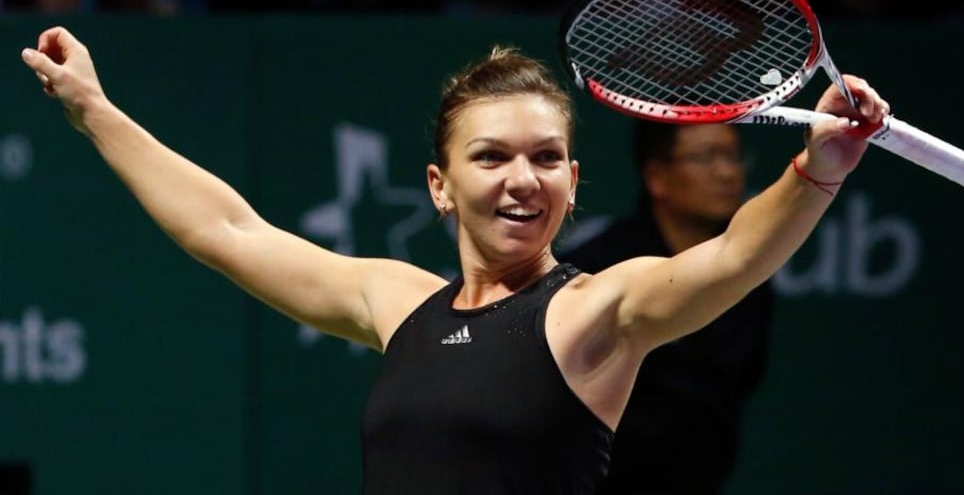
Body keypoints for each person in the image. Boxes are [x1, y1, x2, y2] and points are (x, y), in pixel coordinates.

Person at [20, 25, 889, 495]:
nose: (523, 179)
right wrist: (95, 110)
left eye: (547, 157)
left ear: (576, 181)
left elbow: (736, 253)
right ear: (440, 186)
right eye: (492, 157)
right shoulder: (398, 302)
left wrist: (819, 165)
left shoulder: (596, 311)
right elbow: (229, 231)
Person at [559, 121, 775, 495]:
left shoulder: (751, 283)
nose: (727, 172)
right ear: (657, 176)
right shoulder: (592, 274)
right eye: (707, 157)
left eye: (733, 155)